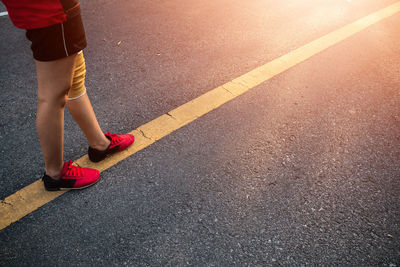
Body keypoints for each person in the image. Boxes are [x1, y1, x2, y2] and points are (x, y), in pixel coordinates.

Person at [1, 0, 135, 190]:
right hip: (51, 10)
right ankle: (55, 174)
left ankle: (100, 144)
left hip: (39, 9)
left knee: (73, 75)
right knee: (53, 96)